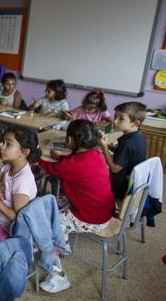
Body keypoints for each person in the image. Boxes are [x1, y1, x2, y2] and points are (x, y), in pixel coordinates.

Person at [37, 119, 115, 293]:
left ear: (70, 140)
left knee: (46, 224)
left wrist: (36, 159)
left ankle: (58, 275)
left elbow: (49, 167)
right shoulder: (96, 156)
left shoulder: (71, 165)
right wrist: (63, 157)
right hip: (103, 211)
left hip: (91, 218)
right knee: (54, 205)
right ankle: (63, 244)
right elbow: (74, 164)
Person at [0, 126, 39, 246]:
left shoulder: (22, 181)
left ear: (24, 152)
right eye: (3, 142)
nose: (1, 147)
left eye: (8, 144)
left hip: (7, 230)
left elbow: (18, 217)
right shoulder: (9, 166)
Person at [98, 101, 147, 199]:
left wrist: (104, 147)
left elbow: (114, 169)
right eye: (115, 116)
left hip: (119, 187)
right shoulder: (138, 136)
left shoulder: (127, 143)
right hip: (130, 181)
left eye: (121, 119)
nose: (115, 121)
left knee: (86, 173)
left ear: (135, 123)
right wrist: (109, 146)